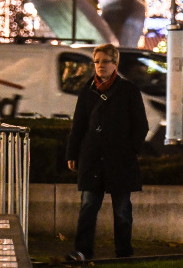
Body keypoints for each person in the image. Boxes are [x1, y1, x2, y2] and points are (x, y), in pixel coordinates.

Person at [65, 43, 147, 261]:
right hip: (93, 159)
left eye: (105, 61)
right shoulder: (87, 90)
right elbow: (79, 125)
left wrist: (130, 151)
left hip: (120, 160)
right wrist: (72, 154)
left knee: (122, 210)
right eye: (97, 62)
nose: (101, 66)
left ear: (115, 63)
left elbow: (141, 125)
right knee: (88, 206)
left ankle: (124, 252)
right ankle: (82, 251)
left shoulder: (128, 90)